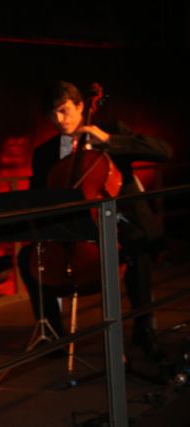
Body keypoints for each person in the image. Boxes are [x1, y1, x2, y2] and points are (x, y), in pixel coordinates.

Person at [18, 81, 173, 360]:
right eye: (53, 114)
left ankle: (144, 327)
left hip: (117, 218)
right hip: (72, 226)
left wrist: (110, 141)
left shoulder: (110, 132)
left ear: (80, 106)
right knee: (28, 257)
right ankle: (53, 336)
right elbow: (38, 195)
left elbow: (163, 151)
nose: (59, 120)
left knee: (135, 244)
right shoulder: (44, 153)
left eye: (64, 111)